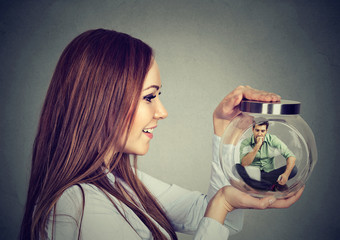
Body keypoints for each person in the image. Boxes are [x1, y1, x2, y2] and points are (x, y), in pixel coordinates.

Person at [20, 29, 303, 240]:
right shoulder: (78, 203)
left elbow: (214, 219)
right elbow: (217, 209)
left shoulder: (122, 183)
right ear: (102, 101)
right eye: (149, 97)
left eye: (159, 96)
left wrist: (225, 129)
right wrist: (223, 203)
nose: (162, 111)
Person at [237, 121, 298, 191]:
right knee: (236, 167)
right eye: (257, 130)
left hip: (269, 174)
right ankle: (269, 185)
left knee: (293, 169)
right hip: (252, 174)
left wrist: (286, 174)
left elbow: (291, 156)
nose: (260, 134)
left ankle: (257, 185)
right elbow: (244, 164)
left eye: (262, 131)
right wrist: (257, 146)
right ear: (252, 129)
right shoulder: (245, 142)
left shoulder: (272, 139)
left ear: (266, 131)